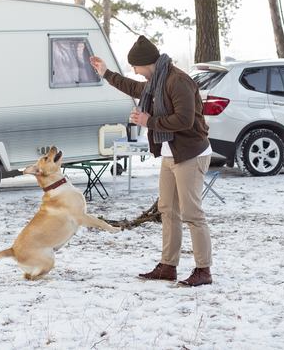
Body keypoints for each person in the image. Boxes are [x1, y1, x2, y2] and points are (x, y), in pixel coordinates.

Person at [89, 35, 214, 286]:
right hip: (171, 154)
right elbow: (133, 88)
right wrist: (106, 73)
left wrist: (149, 122)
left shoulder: (177, 82)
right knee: (168, 210)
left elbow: (185, 120)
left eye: (135, 67)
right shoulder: (156, 81)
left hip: (190, 154)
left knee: (191, 213)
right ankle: (168, 265)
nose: (134, 72)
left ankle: (203, 270)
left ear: (146, 63)